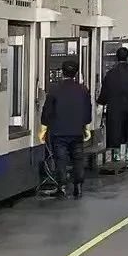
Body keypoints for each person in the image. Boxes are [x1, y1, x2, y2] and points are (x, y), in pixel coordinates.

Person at [39, 60, 93, 199]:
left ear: (62, 72)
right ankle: (78, 186)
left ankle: (62, 187)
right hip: (77, 131)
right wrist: (86, 127)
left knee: (61, 160)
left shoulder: (54, 90)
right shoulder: (83, 90)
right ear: (76, 73)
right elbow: (87, 109)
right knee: (78, 159)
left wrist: (44, 128)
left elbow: (47, 110)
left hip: (59, 131)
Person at [97, 45, 128, 170]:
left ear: (116, 57)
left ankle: (116, 155)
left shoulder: (111, 74)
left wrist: (101, 103)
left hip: (115, 108)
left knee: (115, 129)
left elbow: (105, 91)